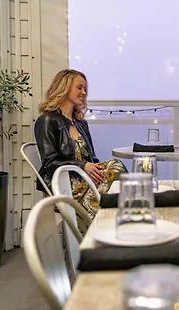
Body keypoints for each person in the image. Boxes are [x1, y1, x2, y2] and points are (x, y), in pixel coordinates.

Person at [34, 69, 127, 218]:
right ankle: (111, 218)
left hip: (86, 180)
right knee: (116, 171)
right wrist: (82, 166)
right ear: (64, 87)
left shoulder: (81, 124)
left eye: (85, 89)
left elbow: (92, 159)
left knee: (116, 167)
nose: (83, 92)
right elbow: (49, 163)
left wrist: (96, 170)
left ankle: (112, 217)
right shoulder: (47, 120)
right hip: (65, 185)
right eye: (79, 87)